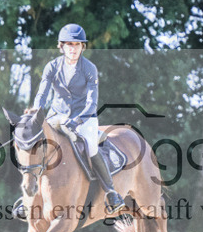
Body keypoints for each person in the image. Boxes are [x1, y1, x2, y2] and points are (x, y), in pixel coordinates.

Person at [14, 23, 126, 219]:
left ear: (82, 46)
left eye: (76, 44)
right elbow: (42, 94)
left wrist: (77, 121)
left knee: (91, 146)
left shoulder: (89, 68)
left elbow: (92, 102)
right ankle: (26, 200)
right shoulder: (52, 67)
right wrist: (35, 114)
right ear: (62, 46)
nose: (73, 48)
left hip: (84, 117)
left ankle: (111, 192)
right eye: (68, 44)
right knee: (36, 144)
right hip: (56, 115)